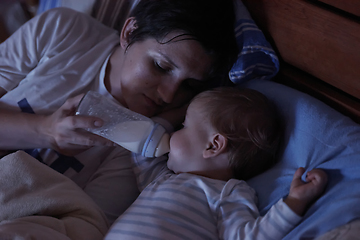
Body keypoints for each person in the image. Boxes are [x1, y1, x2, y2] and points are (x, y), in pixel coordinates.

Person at [0, 0, 238, 225]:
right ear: (129, 32)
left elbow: (84, 227)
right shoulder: (64, 32)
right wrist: (45, 132)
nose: (168, 96)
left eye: (189, 86)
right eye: (161, 66)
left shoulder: (147, 152)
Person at [104, 87, 328, 240]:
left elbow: (247, 236)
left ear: (213, 146)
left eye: (183, 126)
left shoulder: (228, 192)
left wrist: (294, 202)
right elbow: (141, 153)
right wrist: (168, 117)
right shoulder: (162, 178)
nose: (173, 133)